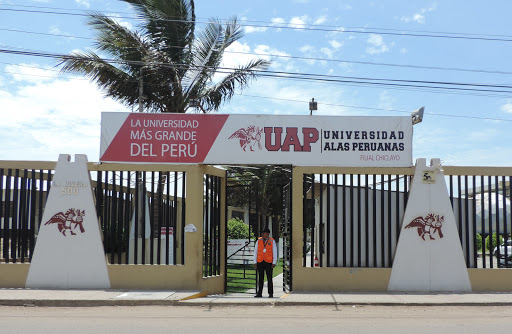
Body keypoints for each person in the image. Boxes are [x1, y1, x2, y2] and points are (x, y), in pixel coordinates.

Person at [253, 227, 277, 298]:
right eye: (262, 233)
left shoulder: (272, 241)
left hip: (269, 262)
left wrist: (274, 262)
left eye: (264, 233)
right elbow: (255, 252)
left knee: (269, 278)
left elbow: (274, 252)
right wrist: (255, 262)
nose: (263, 234)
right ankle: (259, 293)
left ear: (268, 234)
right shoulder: (259, 241)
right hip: (260, 261)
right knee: (260, 278)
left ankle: (270, 293)